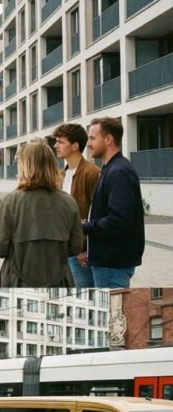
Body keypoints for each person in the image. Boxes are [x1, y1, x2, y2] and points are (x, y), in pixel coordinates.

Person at [0, 139, 84, 287]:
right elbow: (76, 246)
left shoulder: (9, 202)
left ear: (24, 166)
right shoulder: (68, 202)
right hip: (59, 281)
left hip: (17, 282)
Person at [83, 117, 145, 288]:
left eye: (92, 138)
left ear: (108, 139)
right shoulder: (110, 168)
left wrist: (86, 226)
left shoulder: (118, 171)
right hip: (108, 262)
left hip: (112, 264)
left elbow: (119, 221)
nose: (88, 144)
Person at [52, 123, 100, 288]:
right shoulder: (60, 174)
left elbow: (96, 214)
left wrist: (84, 248)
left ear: (75, 146)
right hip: (62, 249)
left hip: (80, 252)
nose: (55, 145)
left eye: (60, 142)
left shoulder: (92, 173)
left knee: (84, 293)